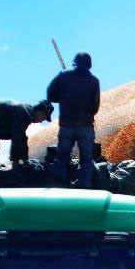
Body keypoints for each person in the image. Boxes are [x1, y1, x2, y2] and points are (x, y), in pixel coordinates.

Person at [48, 51, 101, 189]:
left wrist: (64, 95)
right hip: (86, 126)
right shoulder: (94, 80)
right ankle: (85, 185)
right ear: (89, 64)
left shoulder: (63, 76)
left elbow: (51, 94)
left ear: (75, 62)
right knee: (86, 159)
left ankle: (59, 184)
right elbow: (95, 106)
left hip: (67, 124)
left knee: (62, 157)